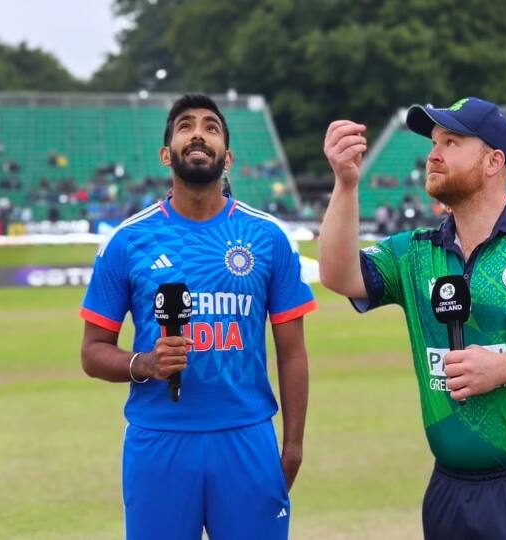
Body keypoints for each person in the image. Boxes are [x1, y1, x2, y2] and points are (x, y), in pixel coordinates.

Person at [319, 97, 506, 539]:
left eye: (451, 142)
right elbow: (339, 276)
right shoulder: (415, 250)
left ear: (493, 161)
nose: (433, 153)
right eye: (434, 142)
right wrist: (345, 185)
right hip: (449, 489)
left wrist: (501, 369)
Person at [80, 94, 316, 540]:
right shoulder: (128, 240)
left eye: (211, 127)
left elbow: (292, 354)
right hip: (160, 441)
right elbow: (92, 353)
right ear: (166, 153)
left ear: (227, 155)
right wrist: (145, 363)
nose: (198, 134)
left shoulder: (268, 237)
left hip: (247, 438)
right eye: (185, 126)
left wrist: (293, 446)